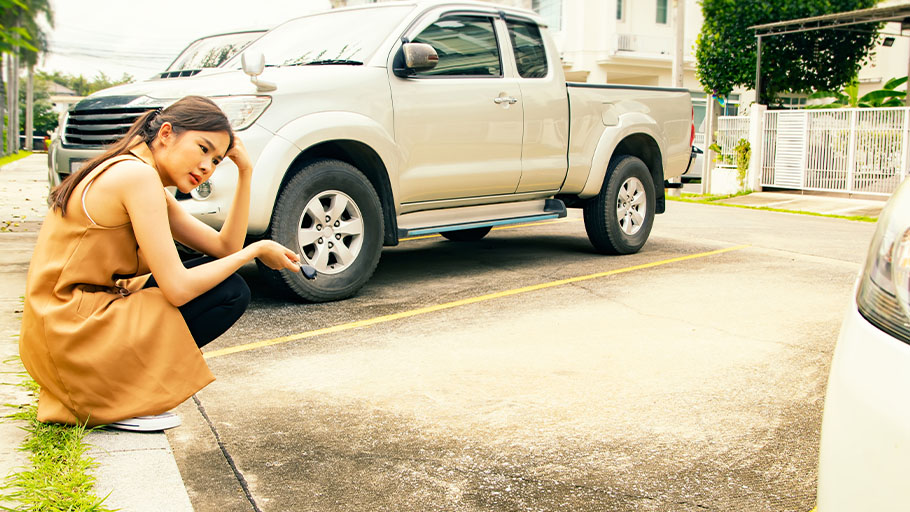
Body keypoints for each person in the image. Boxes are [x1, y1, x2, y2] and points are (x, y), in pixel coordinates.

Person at [19, 96, 305, 432]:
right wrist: (254, 251)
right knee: (229, 292)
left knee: (219, 278)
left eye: (216, 160)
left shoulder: (134, 170)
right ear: (166, 134)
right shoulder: (136, 177)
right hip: (72, 332)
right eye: (202, 148)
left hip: (60, 329)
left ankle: (112, 391)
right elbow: (179, 288)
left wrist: (245, 171)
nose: (207, 167)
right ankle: (119, 399)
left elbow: (223, 246)